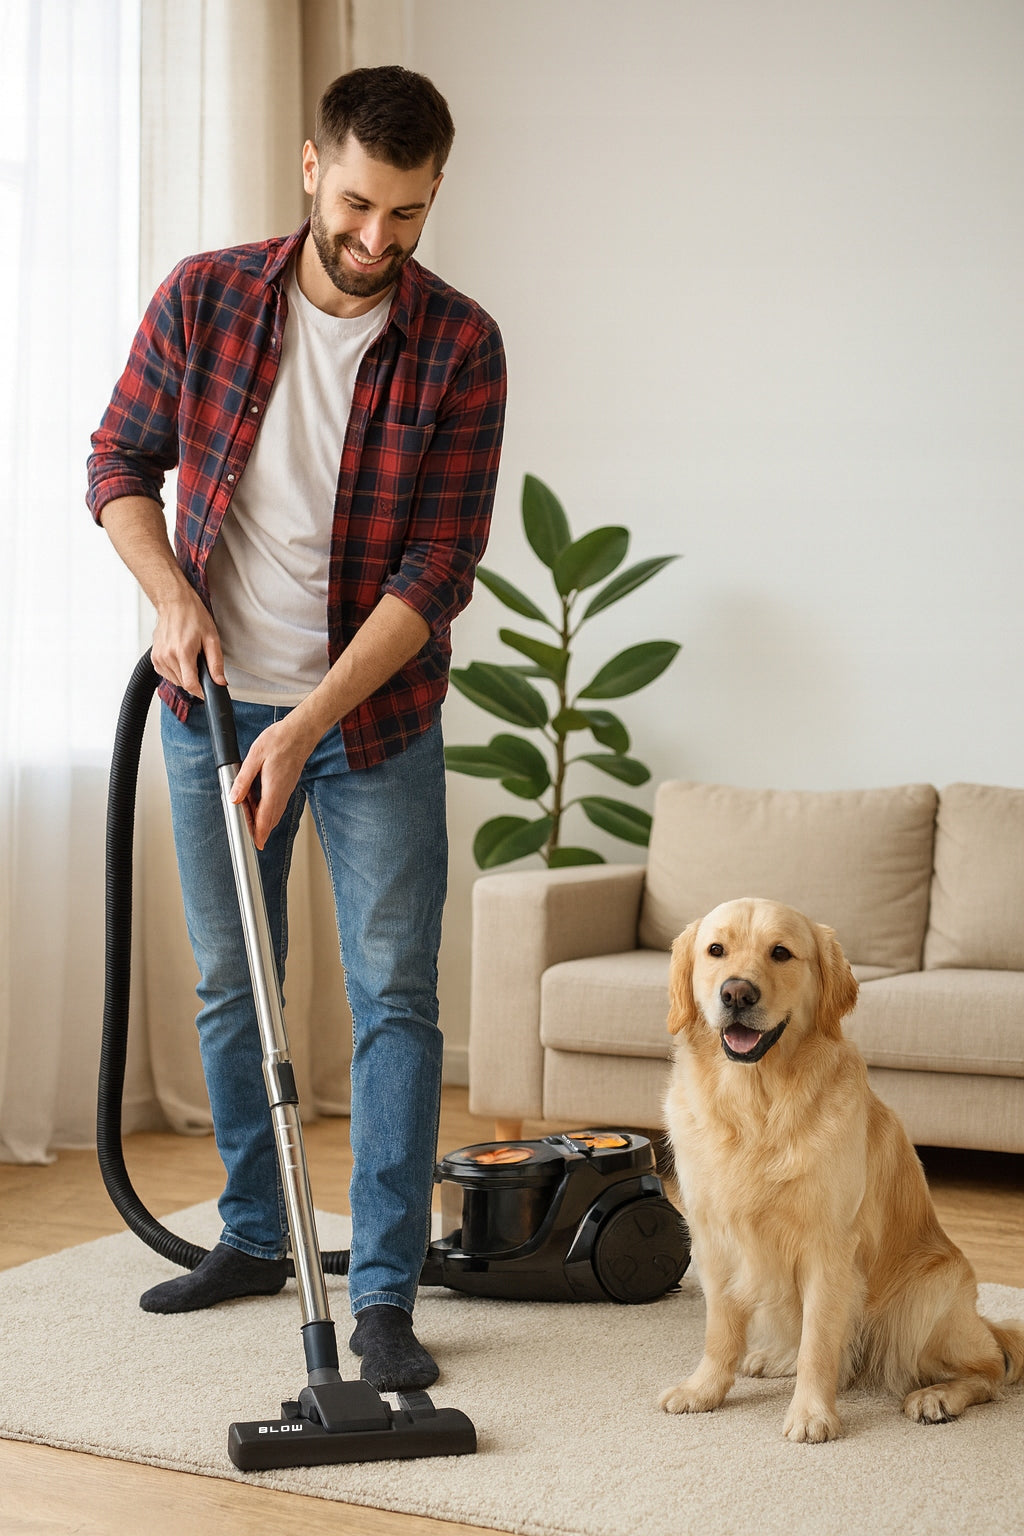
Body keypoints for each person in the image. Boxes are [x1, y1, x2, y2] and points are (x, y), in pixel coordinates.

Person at [87, 65, 506, 1392]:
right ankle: (258, 1237)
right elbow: (115, 465)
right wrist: (171, 601)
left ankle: (382, 1292)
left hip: (374, 722)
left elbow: (437, 569)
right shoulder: (207, 299)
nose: (380, 241)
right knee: (230, 977)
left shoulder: (460, 345)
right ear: (312, 164)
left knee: (394, 996)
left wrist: (308, 718)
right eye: (363, 204)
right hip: (209, 706)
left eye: (412, 215)